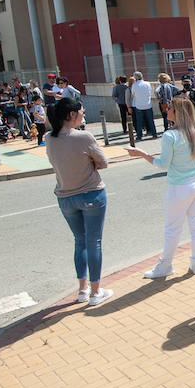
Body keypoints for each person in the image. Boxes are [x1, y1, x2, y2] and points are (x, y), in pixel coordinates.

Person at [131, 97, 195, 279]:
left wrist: (142, 154)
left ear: (178, 112)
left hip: (179, 187)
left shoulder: (170, 136)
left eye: (170, 109)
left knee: (172, 228)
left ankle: (166, 265)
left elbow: (163, 164)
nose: (166, 111)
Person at [45, 97, 112, 307]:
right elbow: (103, 162)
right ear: (71, 114)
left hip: (65, 197)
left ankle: (83, 289)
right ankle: (95, 292)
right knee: (94, 242)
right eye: (81, 112)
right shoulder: (84, 137)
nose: (84, 115)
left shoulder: (49, 138)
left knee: (80, 241)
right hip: (91, 193)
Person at [130, 71, 157, 140]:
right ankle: (154, 134)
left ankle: (139, 136)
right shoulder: (147, 84)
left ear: (135, 78)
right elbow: (150, 92)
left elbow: (132, 94)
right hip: (148, 104)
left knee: (139, 121)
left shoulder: (134, 85)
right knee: (151, 120)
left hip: (138, 105)